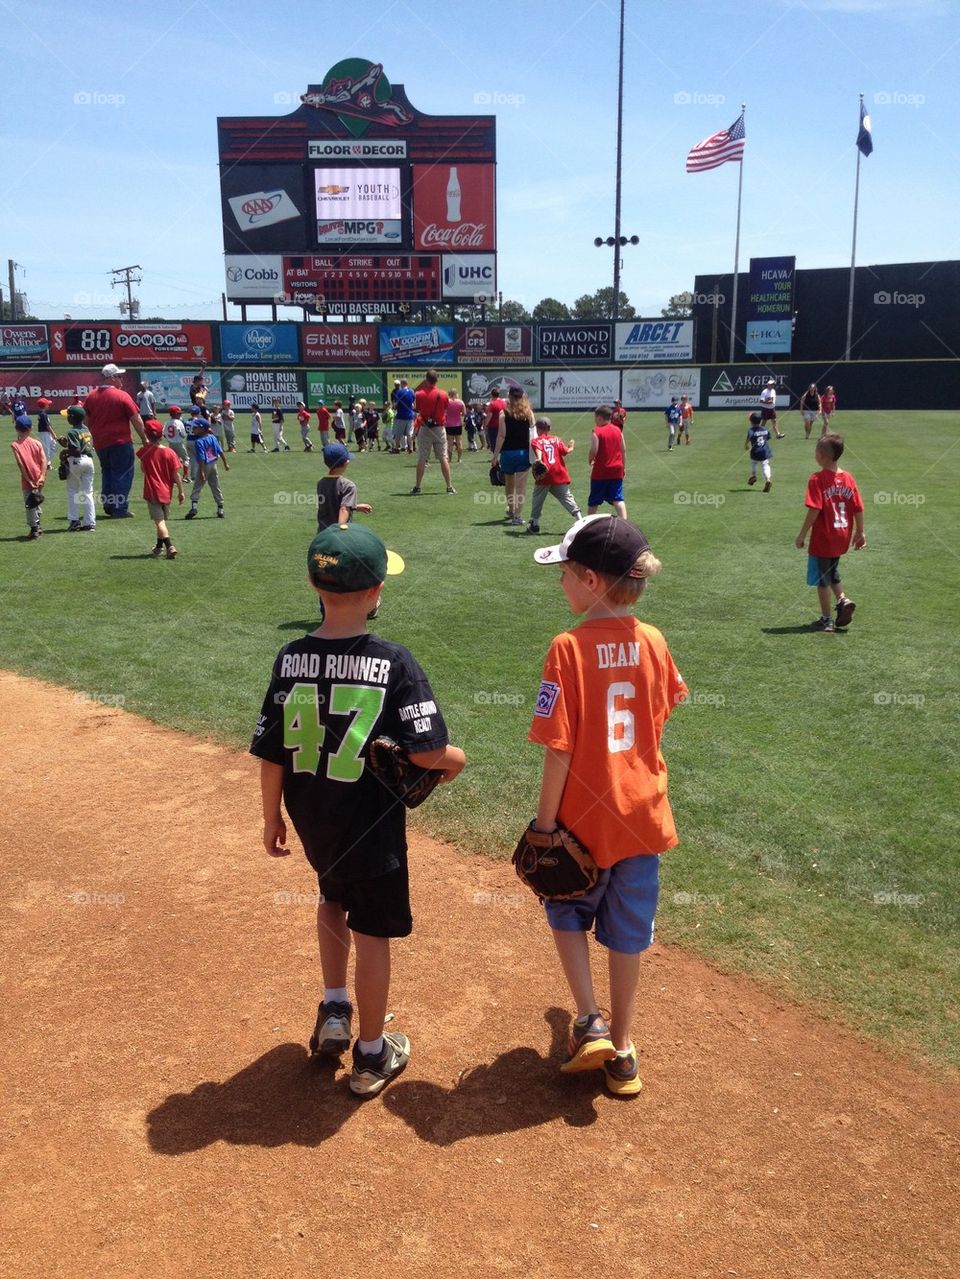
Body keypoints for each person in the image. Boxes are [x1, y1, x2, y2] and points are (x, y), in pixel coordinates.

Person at [250, 522, 466, 1098]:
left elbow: (271, 749)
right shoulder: (393, 661)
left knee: (331, 897)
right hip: (371, 827)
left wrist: (270, 817)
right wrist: (457, 760)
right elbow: (427, 752)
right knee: (372, 932)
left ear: (313, 585)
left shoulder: (291, 658)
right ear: (376, 592)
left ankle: (334, 1008)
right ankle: (371, 1053)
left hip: (313, 817)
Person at [528, 514, 686, 1096]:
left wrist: (545, 824)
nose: (560, 582)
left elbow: (559, 748)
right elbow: (661, 712)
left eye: (566, 573)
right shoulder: (654, 640)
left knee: (565, 910)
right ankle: (621, 1050)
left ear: (592, 581)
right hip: (643, 817)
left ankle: (588, 1019)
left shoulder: (567, 648)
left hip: (582, 821)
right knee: (628, 934)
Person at [795, 433, 865, 632]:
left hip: (824, 537)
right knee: (832, 571)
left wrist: (802, 534)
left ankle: (826, 620)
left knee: (822, 580)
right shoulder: (848, 477)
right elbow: (858, 507)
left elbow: (814, 509)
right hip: (842, 535)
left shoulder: (817, 478)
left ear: (821, 456)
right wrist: (860, 532)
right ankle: (843, 600)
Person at [82, 363, 146, 518]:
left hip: (100, 443)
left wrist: (91, 436)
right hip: (120, 441)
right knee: (122, 474)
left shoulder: (91, 396)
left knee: (107, 472)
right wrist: (145, 439)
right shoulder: (122, 395)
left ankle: (109, 504)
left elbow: (85, 420)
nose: (121, 379)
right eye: (119, 376)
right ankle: (119, 508)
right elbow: (136, 419)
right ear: (111, 378)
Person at [137, 419, 184, 559]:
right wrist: (181, 491)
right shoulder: (170, 452)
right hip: (167, 491)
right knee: (162, 520)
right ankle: (158, 547)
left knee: (159, 521)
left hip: (152, 491)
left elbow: (143, 469)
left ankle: (170, 546)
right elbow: (176, 475)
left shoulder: (145, 451)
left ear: (147, 434)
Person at [528, 416, 581, 535]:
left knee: (538, 498)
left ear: (537, 429)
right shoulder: (556, 439)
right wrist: (571, 447)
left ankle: (535, 524)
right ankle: (580, 519)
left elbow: (539, 448)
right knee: (566, 497)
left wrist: (539, 459)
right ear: (549, 428)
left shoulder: (536, 441)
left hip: (545, 474)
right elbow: (566, 451)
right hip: (559, 474)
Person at [492, 385, 535, 525]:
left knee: (509, 484)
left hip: (507, 454)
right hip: (523, 453)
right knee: (521, 486)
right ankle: (517, 516)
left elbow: (501, 435)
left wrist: (495, 456)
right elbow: (533, 435)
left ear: (509, 396)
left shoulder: (503, 413)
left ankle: (511, 509)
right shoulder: (528, 413)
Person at [410, 370, 456, 496]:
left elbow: (418, 408)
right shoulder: (443, 394)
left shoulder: (419, 394)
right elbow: (445, 408)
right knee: (443, 457)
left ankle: (418, 487)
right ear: (437, 380)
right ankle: (449, 487)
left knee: (422, 458)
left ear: (426, 380)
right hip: (439, 428)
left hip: (425, 428)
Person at [56, 405, 96, 531]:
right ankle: (90, 523)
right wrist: (67, 444)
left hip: (77, 461)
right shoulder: (86, 429)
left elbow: (77, 451)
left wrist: (65, 451)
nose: (67, 418)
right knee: (88, 492)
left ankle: (74, 521)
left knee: (72, 491)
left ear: (72, 418)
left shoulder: (72, 431)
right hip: (89, 461)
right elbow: (84, 446)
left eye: (68, 416)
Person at [316, 442, 373, 531]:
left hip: (323, 533)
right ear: (347, 462)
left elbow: (332, 504)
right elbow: (344, 509)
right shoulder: (348, 486)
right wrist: (339, 531)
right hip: (337, 534)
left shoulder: (321, 483)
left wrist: (355, 507)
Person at [11, 414, 48, 540]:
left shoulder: (16, 445)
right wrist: (42, 476)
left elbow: (20, 464)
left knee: (30, 503)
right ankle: (38, 525)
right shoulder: (37, 443)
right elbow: (44, 460)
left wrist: (28, 479)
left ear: (16, 429)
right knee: (36, 500)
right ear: (31, 428)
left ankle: (34, 529)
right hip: (39, 477)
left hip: (28, 478)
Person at [184, 415, 229, 519]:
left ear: (202, 429)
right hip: (214, 464)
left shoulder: (199, 441)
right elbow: (220, 451)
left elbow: (202, 458)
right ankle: (220, 508)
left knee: (197, 487)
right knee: (215, 486)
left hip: (204, 465)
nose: (194, 429)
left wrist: (202, 472)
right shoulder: (212, 437)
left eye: (196, 427)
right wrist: (225, 463)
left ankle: (194, 507)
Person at [588, 404, 627, 518]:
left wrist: (590, 458)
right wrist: (623, 467)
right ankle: (625, 522)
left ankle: (589, 523)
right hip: (617, 469)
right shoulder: (618, 430)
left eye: (595, 418)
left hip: (601, 470)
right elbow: (623, 450)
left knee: (594, 501)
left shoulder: (597, 431)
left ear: (599, 417)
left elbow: (594, 450)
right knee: (618, 499)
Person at [744, 410, 774, 492]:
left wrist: (746, 445)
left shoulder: (751, 430)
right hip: (764, 451)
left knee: (754, 463)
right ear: (760, 421)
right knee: (765, 465)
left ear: (751, 422)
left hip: (755, 452)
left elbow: (748, 439)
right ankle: (768, 479)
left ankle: (753, 475)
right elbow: (768, 437)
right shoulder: (765, 429)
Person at [444, 386, 466, 463]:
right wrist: (458, 414)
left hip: (449, 424)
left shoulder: (447, 402)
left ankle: (449, 459)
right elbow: (464, 413)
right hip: (458, 424)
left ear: (449, 394)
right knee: (459, 442)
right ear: (456, 394)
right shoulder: (461, 402)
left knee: (449, 443)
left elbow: (444, 412)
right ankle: (459, 459)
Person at [393, 378, 415, 453]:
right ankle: (410, 448)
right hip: (410, 416)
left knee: (398, 433)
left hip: (401, 416)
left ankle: (396, 448)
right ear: (407, 383)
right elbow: (413, 404)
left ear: (401, 384)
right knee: (409, 433)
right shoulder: (411, 392)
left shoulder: (399, 392)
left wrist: (394, 407)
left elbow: (395, 404)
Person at [484, 385, 507, 452]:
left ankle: (495, 456)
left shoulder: (492, 404)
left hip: (493, 427)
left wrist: (485, 425)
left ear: (491, 395)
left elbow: (489, 416)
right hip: (503, 425)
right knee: (502, 442)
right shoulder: (504, 403)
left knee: (494, 443)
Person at [35, 397, 58, 463]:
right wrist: (54, 434)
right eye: (47, 404)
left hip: (47, 433)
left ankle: (47, 462)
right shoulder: (43, 414)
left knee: (53, 445)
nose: (48, 405)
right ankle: (47, 464)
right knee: (46, 449)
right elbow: (47, 426)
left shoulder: (42, 413)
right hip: (44, 433)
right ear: (44, 405)